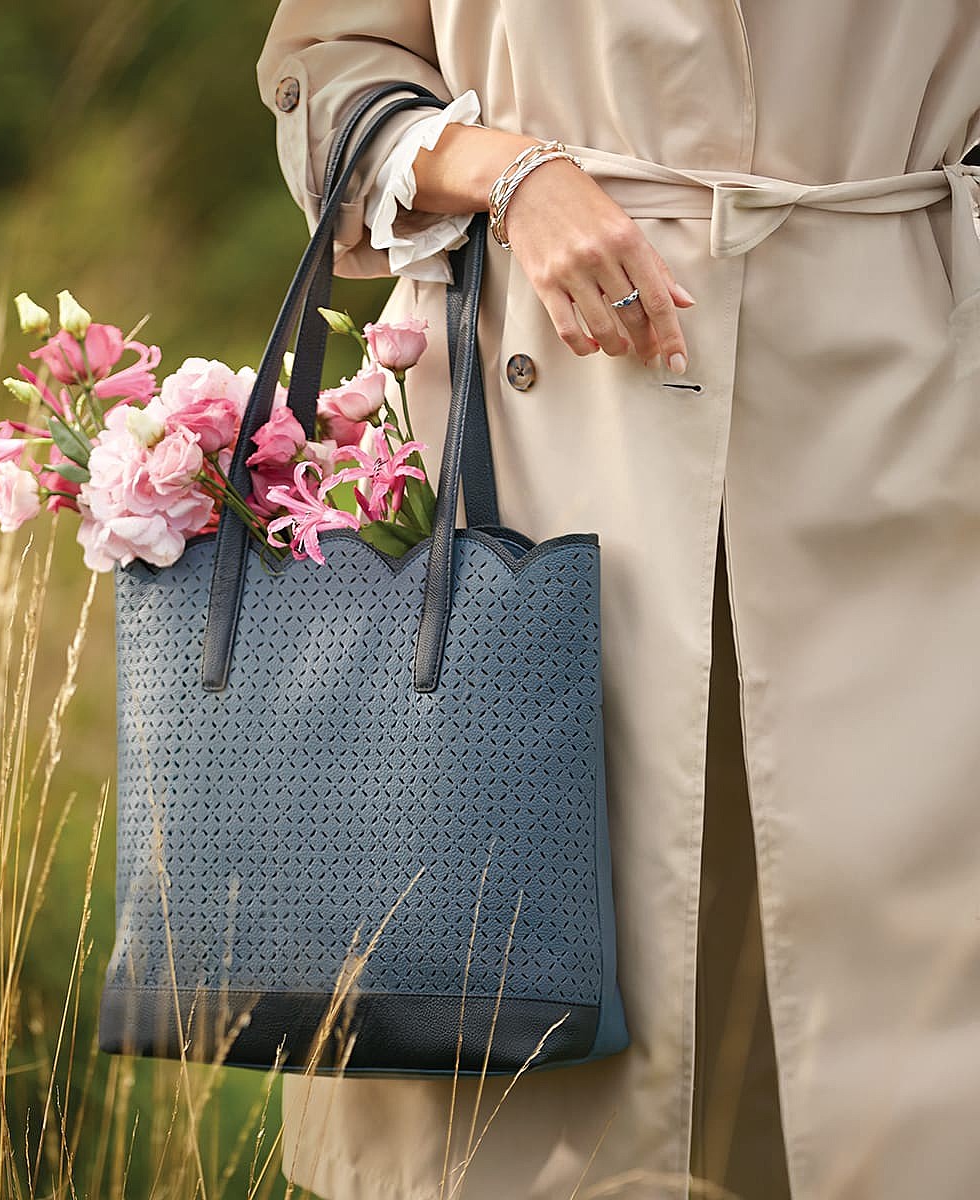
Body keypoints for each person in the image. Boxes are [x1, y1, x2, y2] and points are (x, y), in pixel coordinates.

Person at [254, 4, 980, 1198]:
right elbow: (329, 67)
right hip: (529, 428)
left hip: (898, 404)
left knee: (877, 1035)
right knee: (528, 1026)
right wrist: (511, 175)